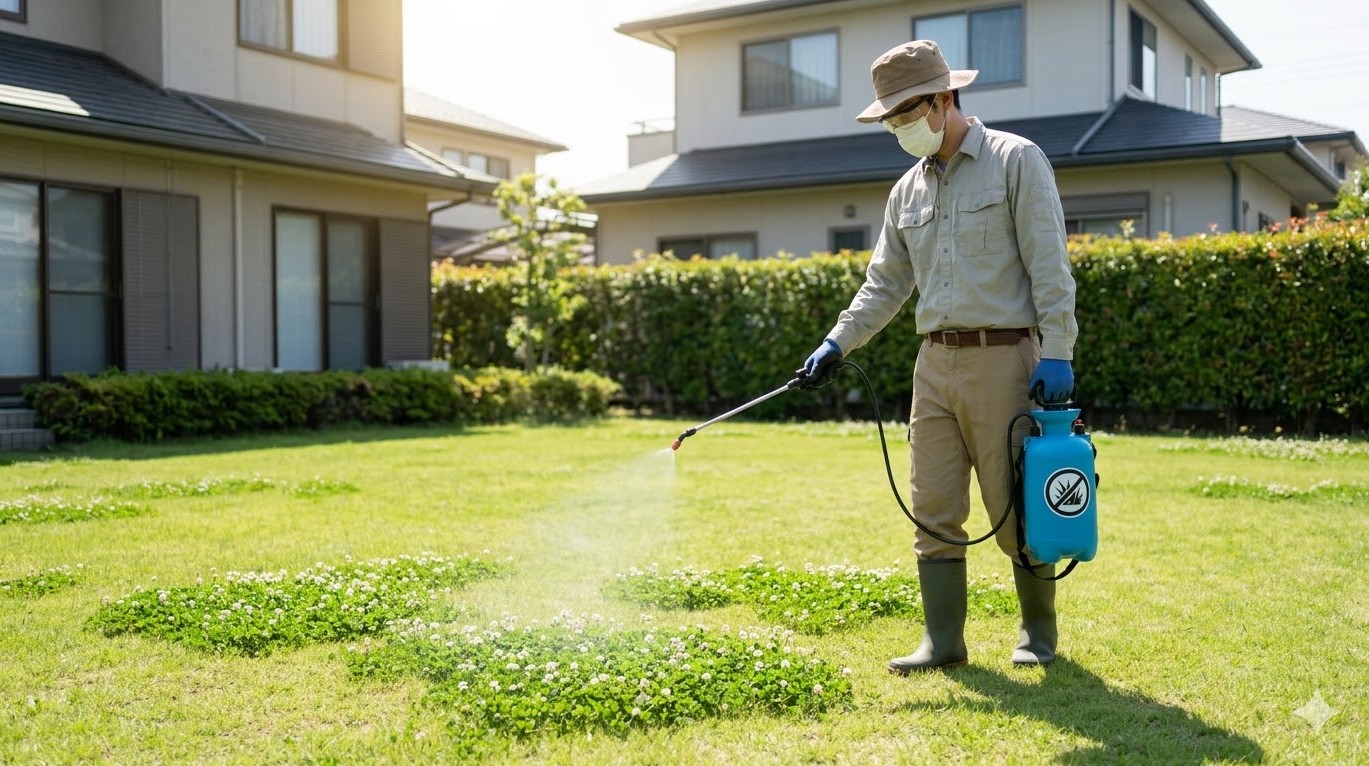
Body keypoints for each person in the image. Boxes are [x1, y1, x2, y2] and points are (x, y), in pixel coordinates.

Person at [798, 40, 1078, 673]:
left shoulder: (1015, 161)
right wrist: (836, 342)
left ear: (943, 99)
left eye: (904, 114)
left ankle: (1038, 634)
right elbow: (885, 285)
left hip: (1005, 359)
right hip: (934, 365)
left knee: (1016, 504)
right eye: (890, 118)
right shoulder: (906, 190)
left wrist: (1057, 351)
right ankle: (943, 642)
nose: (897, 127)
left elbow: (1050, 267)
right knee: (933, 506)